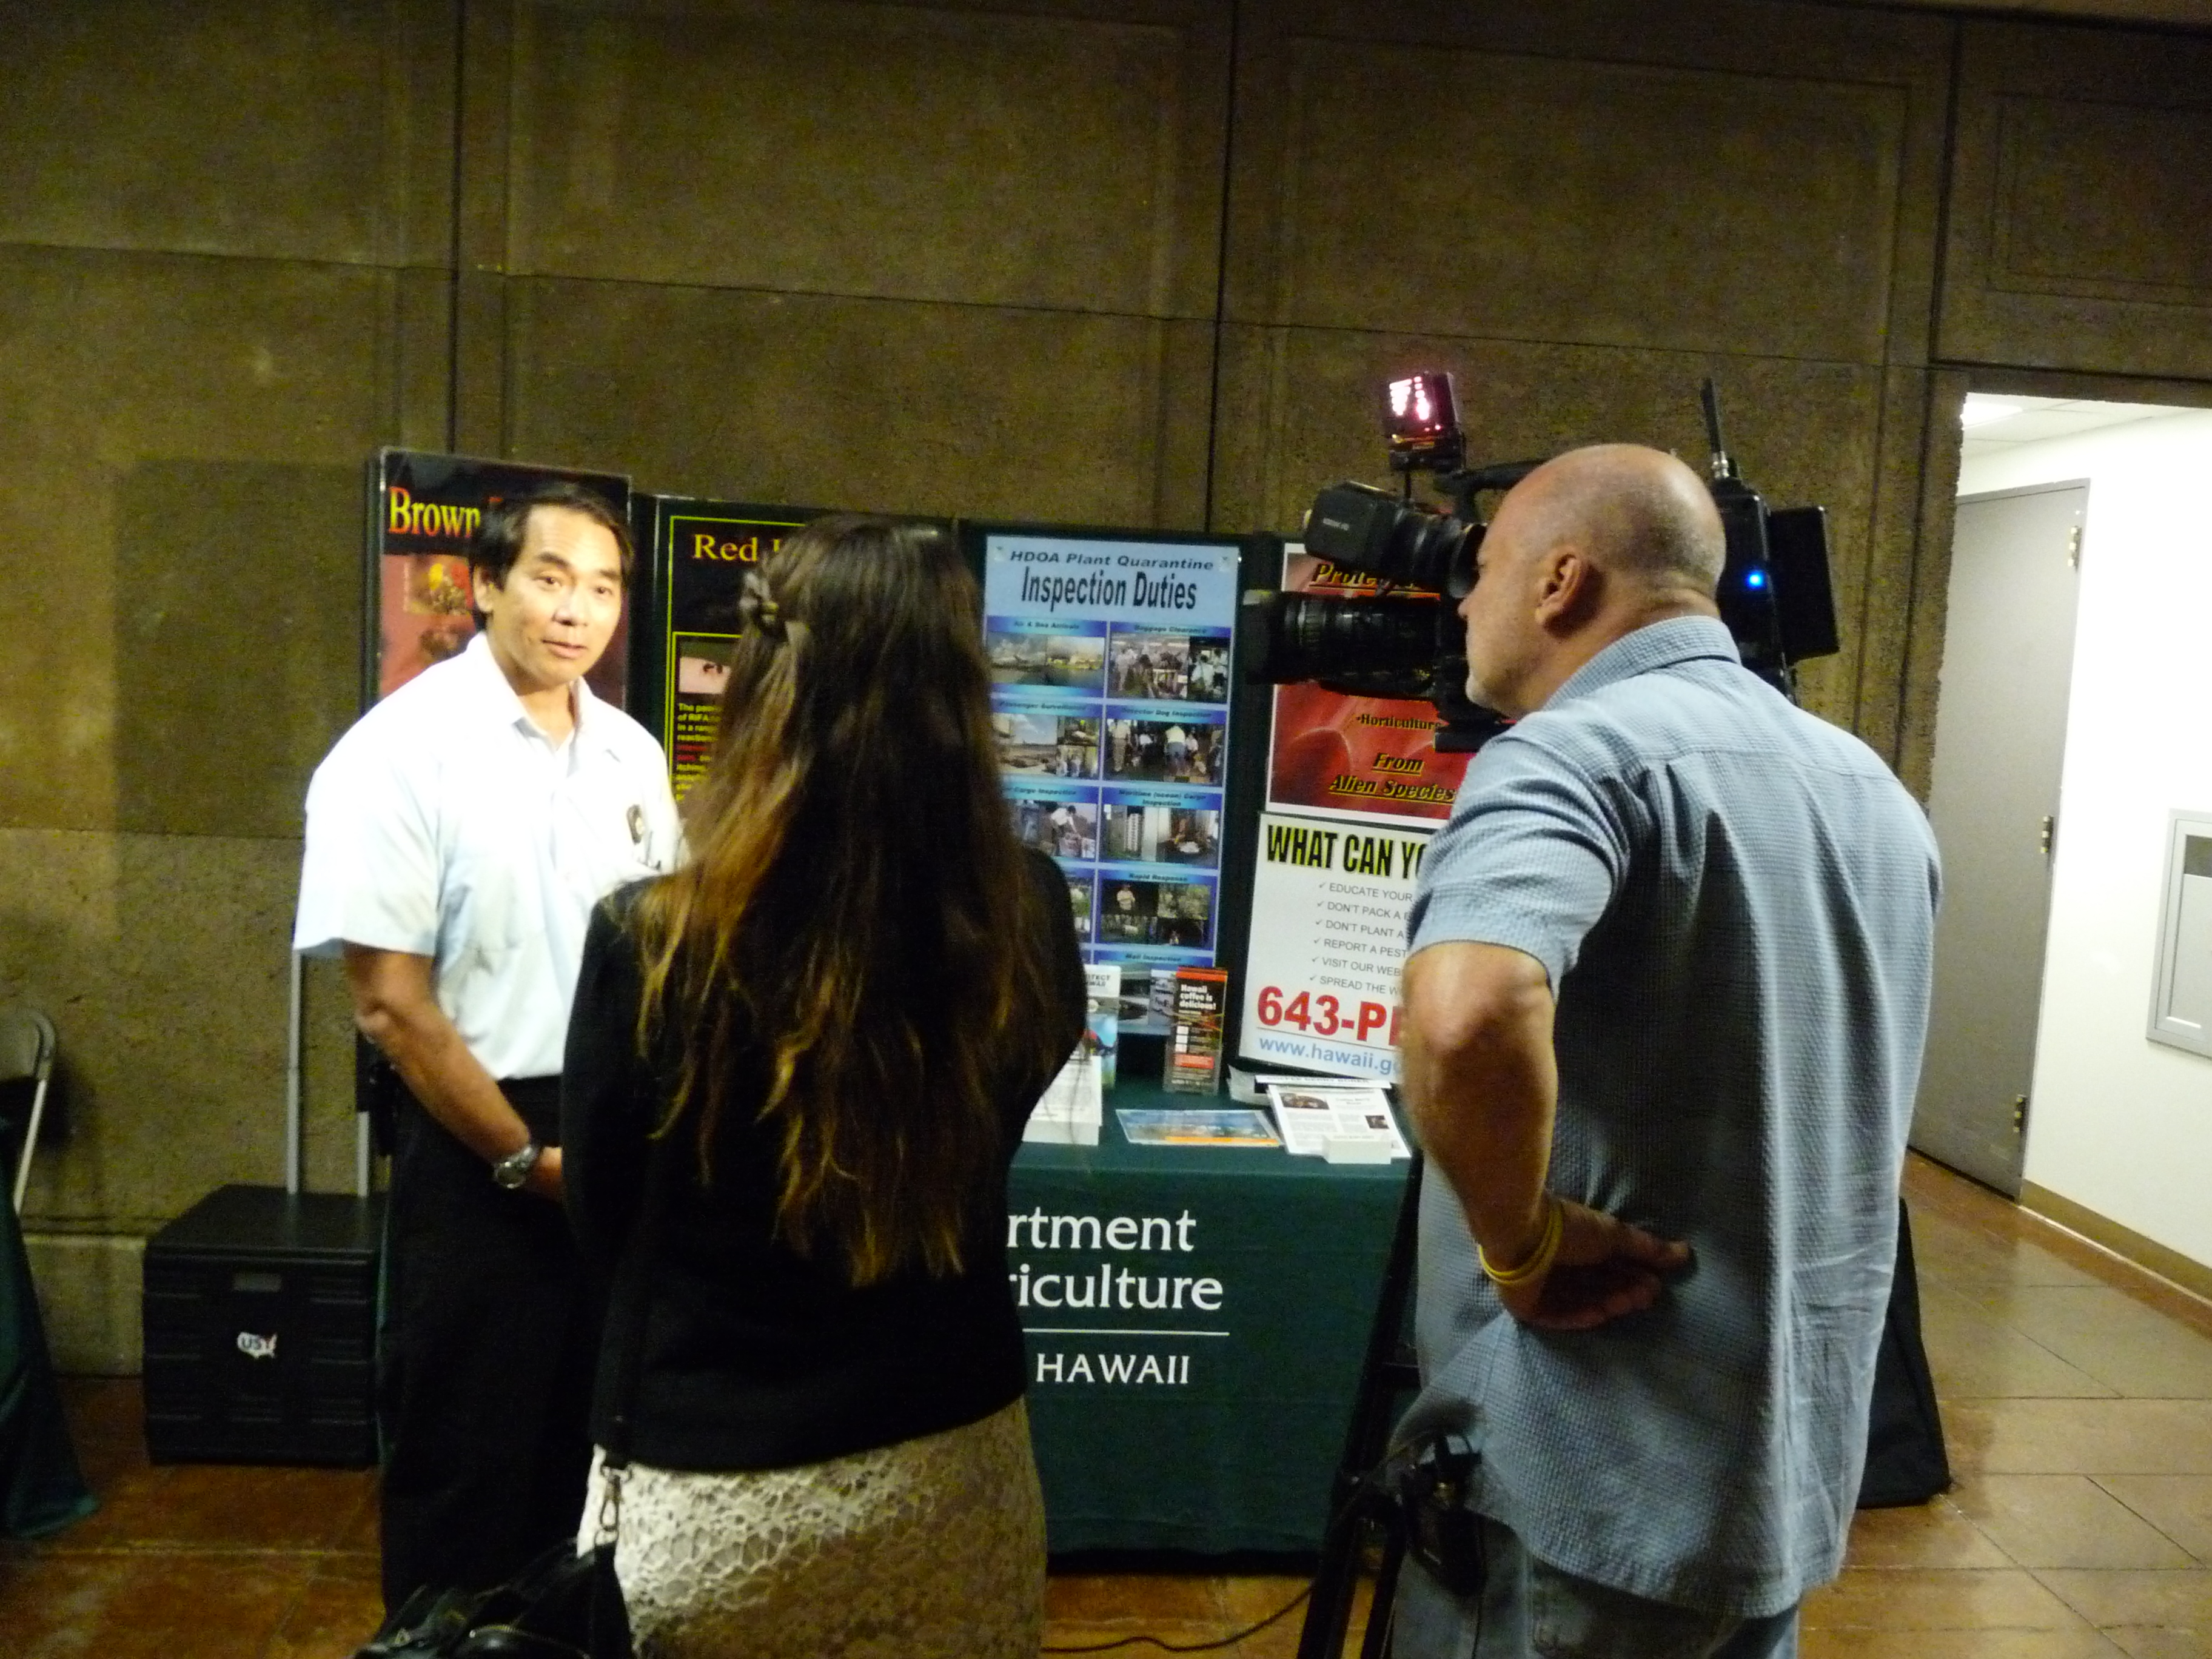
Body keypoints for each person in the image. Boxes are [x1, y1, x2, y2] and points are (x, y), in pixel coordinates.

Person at [1393, 445, 1940, 1658]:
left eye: (1483, 571)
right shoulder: (1874, 792)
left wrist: (1521, 1245)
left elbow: (1468, 1011)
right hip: (1778, 1486)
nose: (1464, 607)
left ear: (1560, 582)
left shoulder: (1571, 758)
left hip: (1587, 1484)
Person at [561, 515, 1087, 1658]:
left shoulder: (652, 942)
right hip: (957, 1473)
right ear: (961, 696)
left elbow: (604, 1214)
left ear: (762, 685)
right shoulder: (1032, 914)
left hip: (717, 1489)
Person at [295, 481, 680, 1612]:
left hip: (615, 1139)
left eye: (602, 588)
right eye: (550, 580)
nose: (576, 611)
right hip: (478, 1144)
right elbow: (390, 1004)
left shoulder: (631, 754)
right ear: (484, 586)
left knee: (597, 1458)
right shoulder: (398, 752)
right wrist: (521, 1157)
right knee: (469, 1454)